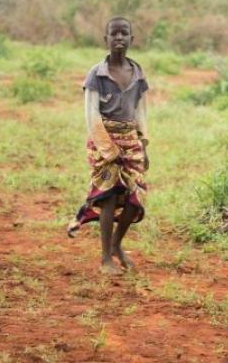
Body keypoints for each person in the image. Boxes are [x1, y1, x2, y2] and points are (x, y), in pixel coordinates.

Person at [66, 17, 150, 275]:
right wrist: (108, 150)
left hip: (130, 140)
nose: (119, 38)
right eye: (114, 34)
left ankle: (116, 246)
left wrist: (143, 145)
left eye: (124, 33)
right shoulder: (96, 74)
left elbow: (141, 111)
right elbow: (91, 116)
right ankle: (105, 259)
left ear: (131, 39)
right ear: (106, 39)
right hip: (103, 141)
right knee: (109, 197)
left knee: (136, 199)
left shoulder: (137, 73)